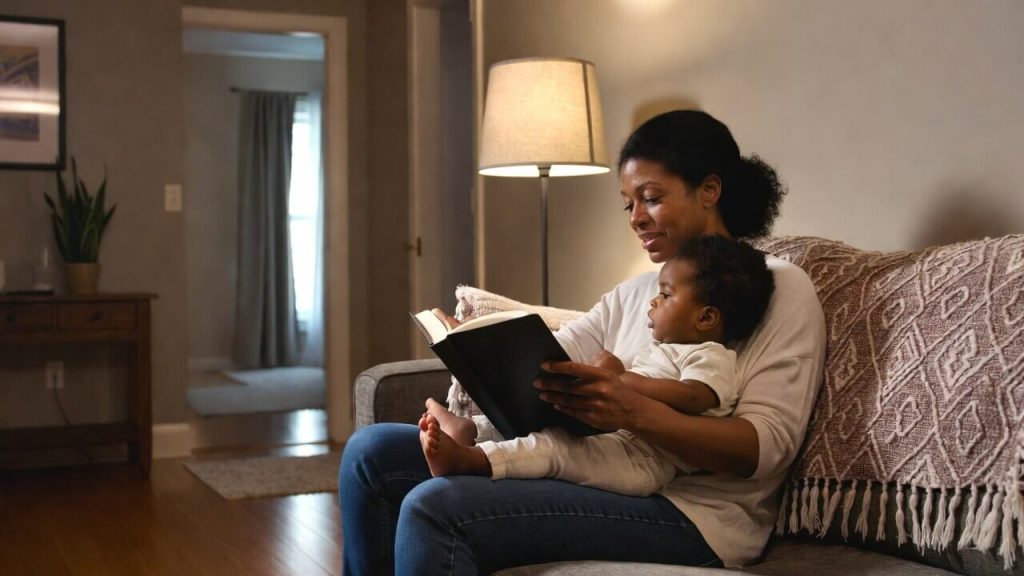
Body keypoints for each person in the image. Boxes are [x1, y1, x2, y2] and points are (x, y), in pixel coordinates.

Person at [339, 109, 827, 575]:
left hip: (694, 515)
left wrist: (632, 410)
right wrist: (475, 347)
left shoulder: (778, 286)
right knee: (371, 453)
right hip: (601, 470)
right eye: (629, 203)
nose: (636, 217)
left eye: (652, 197)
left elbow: (765, 448)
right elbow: (554, 354)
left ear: (710, 190)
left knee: (438, 506)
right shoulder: (636, 291)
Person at [418, 235, 776, 497]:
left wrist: (622, 379)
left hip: (642, 463)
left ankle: (475, 460)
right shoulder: (667, 349)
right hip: (621, 440)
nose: (653, 301)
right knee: (550, 431)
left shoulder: (711, 356)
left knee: (555, 447)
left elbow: (695, 397)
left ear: (706, 317)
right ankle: (472, 430)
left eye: (666, 295)